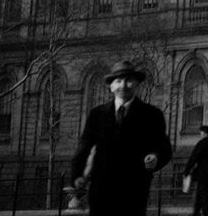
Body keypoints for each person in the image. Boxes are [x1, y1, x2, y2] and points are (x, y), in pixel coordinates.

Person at [70, 59, 172, 216]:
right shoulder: (97, 114)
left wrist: (155, 157)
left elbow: (164, 148)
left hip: (134, 192)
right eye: (118, 81)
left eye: (129, 80)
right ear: (111, 87)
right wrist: (77, 175)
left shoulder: (151, 115)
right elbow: (84, 147)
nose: (123, 85)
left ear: (137, 84)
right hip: (101, 191)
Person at [184, 124, 208, 216]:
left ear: (204, 133)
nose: (200, 134)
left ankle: (207, 213)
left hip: (202, 173)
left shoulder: (201, 143)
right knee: (200, 193)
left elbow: (193, 157)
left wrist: (186, 170)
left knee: (203, 194)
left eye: (201, 132)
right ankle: (196, 212)